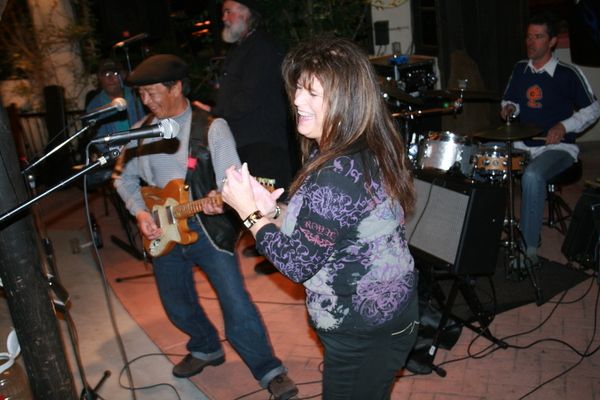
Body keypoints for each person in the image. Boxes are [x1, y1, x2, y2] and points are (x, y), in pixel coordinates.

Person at [222, 38, 420, 399]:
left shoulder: (337, 171)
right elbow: (328, 227)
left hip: (365, 331)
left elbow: (297, 264)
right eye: (299, 88)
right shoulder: (355, 146)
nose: (297, 100)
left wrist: (249, 214)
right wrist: (272, 211)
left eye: (312, 93)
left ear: (346, 100)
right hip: (378, 321)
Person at [112, 54, 298, 400]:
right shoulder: (141, 132)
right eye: (141, 95)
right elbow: (123, 178)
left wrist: (220, 198)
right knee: (175, 302)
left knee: (235, 303)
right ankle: (205, 346)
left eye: (152, 93)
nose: (146, 101)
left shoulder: (212, 128)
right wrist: (140, 213)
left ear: (176, 87)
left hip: (206, 227)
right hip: (162, 230)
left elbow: (230, 181)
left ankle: (269, 369)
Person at [193, 0, 296, 275]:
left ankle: (278, 254)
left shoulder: (262, 47)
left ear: (246, 13)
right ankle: (263, 242)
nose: (224, 17)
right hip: (248, 137)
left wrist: (215, 112)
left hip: (264, 138)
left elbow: (250, 97)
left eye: (229, 11)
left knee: (270, 194)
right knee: (255, 193)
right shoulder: (245, 46)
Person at [501, 11, 600, 264]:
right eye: (528, 37)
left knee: (533, 175)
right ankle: (482, 232)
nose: (530, 42)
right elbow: (510, 99)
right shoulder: (520, 69)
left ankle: (529, 249)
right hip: (523, 144)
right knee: (479, 159)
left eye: (538, 37)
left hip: (558, 148)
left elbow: (593, 109)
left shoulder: (568, 73)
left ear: (552, 41)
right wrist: (510, 108)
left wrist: (564, 126)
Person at [86, 58, 145, 151]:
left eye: (115, 73)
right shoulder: (95, 105)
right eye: (106, 74)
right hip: (114, 154)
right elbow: (98, 139)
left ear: (123, 75)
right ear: (100, 78)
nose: (110, 78)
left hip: (141, 150)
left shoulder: (137, 96)